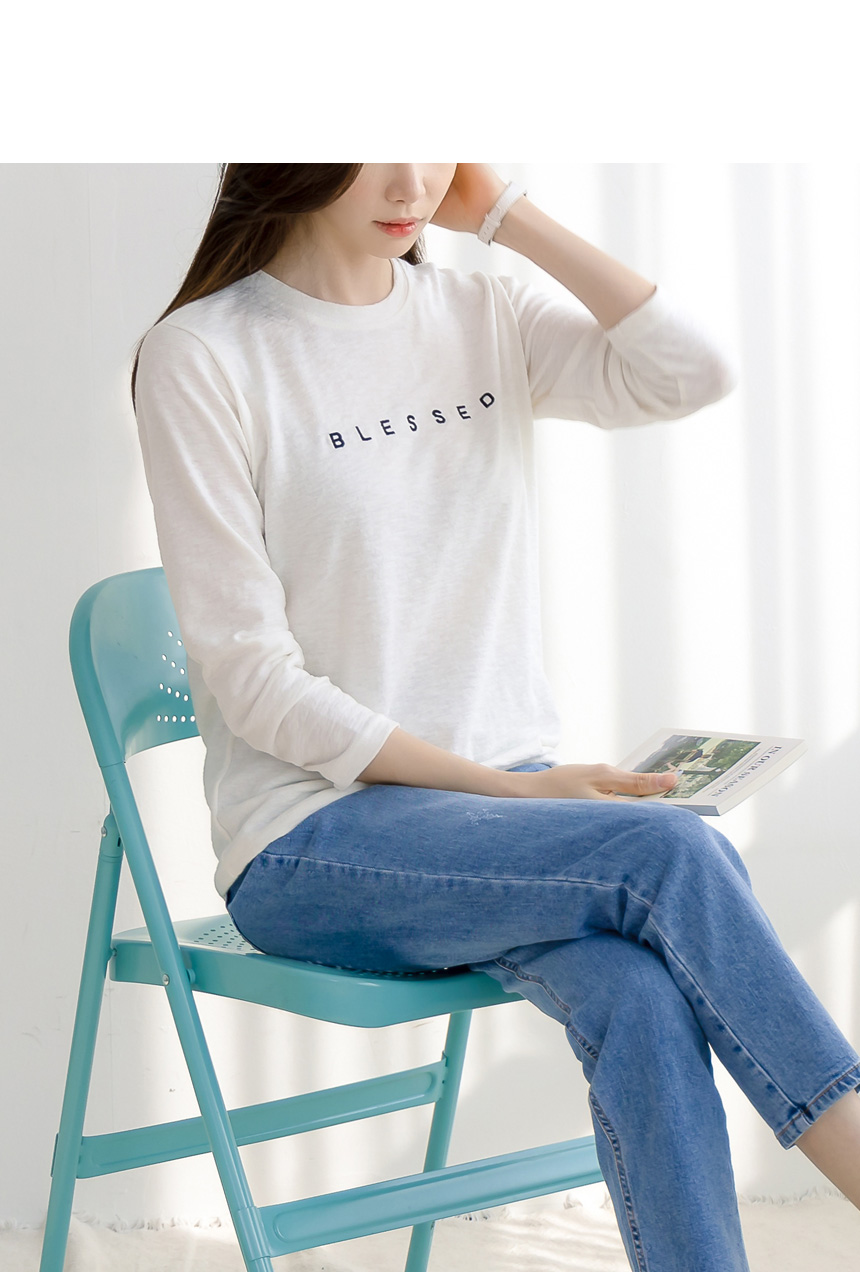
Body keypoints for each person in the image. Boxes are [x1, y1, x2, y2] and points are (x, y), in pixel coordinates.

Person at [132, 164, 860, 1272]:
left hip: (499, 831)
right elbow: (254, 682)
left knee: (637, 989)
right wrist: (515, 791)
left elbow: (691, 371)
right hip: (312, 842)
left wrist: (512, 218)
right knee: (668, 853)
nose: (410, 178)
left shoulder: (480, 310)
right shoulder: (204, 354)